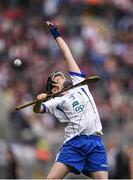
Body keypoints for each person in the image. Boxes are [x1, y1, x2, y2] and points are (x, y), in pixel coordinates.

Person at [33, 21, 108, 179]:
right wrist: (39, 101)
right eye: (58, 78)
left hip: (96, 142)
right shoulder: (55, 102)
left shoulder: (79, 83)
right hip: (75, 144)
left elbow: (67, 55)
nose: (62, 76)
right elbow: (37, 109)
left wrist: (56, 34)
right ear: (54, 89)